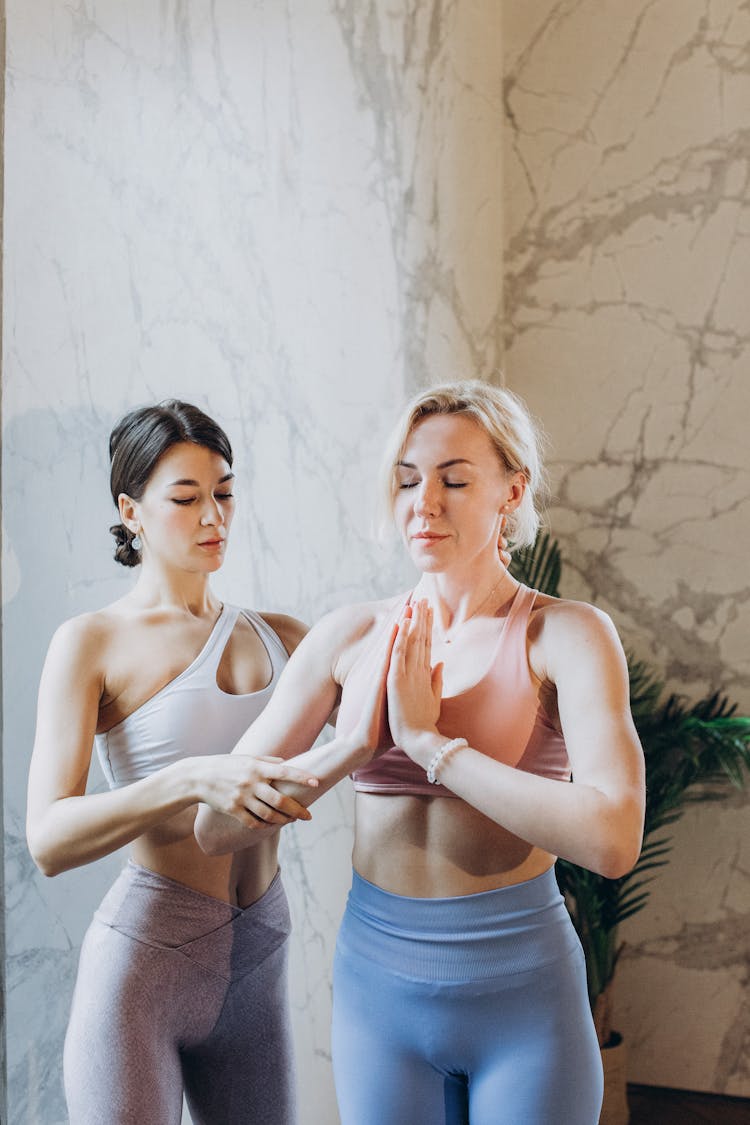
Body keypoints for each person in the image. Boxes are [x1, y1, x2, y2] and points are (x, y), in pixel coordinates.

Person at [195, 380, 646, 1125]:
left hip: (524, 999)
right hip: (380, 999)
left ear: (512, 490)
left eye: (454, 479)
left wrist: (434, 746)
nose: (423, 502)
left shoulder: (567, 634)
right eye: (407, 479)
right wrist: (351, 749)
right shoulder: (349, 637)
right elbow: (218, 829)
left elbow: (614, 837)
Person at [26, 400, 333, 1125]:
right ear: (131, 510)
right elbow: (47, 837)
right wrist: (191, 777)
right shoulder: (91, 641)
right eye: (186, 498)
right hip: (144, 966)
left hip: (260, 953)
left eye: (223, 493)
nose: (213, 516)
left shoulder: (288, 636)